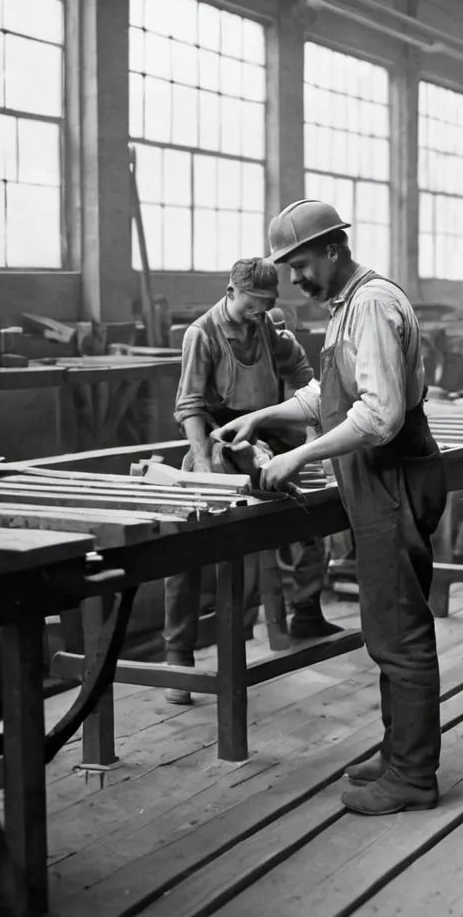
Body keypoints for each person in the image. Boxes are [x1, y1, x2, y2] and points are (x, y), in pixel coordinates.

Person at [213, 199, 447, 817]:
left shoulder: (369, 305)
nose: (294, 279)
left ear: (334, 250)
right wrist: (262, 416)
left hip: (391, 478)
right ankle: (400, 750)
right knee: (386, 626)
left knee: (399, 631)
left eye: (301, 264)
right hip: (378, 480)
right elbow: (330, 394)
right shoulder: (351, 305)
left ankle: (415, 775)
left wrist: (295, 458)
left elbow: (378, 414)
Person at [168, 258, 337, 706]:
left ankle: (305, 611)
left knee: (313, 509)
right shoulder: (201, 335)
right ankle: (178, 656)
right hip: (216, 442)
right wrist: (204, 468)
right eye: (253, 305)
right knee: (186, 544)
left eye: (267, 307)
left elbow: (304, 377)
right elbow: (189, 408)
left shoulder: (265, 327)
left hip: (261, 440)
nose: (259, 314)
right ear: (231, 292)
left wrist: (310, 431)